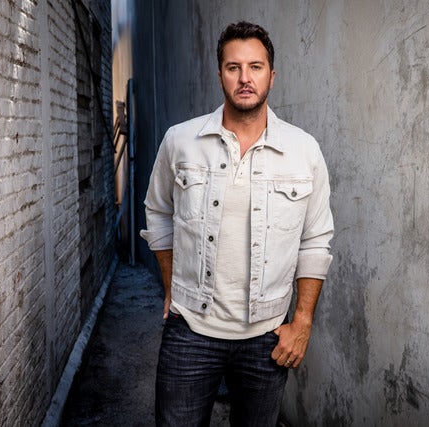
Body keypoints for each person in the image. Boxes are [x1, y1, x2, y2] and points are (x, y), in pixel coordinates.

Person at [140, 21, 334, 427]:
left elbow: (316, 240)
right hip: (190, 329)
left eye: (255, 67)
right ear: (220, 76)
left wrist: (301, 322)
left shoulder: (303, 150)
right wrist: (171, 285)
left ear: (271, 76)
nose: (245, 78)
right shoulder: (181, 141)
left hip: (266, 336)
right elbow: (157, 212)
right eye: (234, 67)